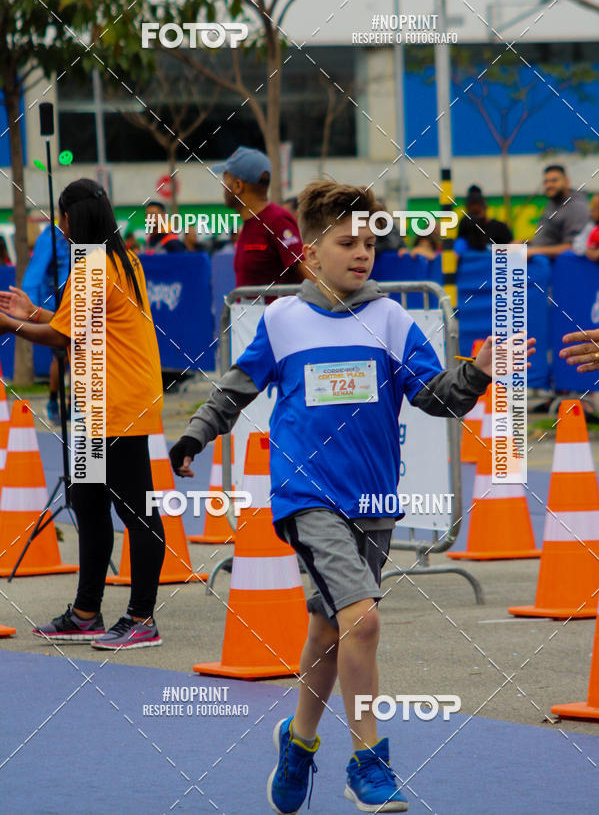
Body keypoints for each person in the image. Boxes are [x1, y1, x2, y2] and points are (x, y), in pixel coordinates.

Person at [169, 179, 533, 813]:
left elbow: (434, 397)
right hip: (305, 498)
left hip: (372, 505)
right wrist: (197, 435)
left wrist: (476, 372)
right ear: (310, 253)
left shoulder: (392, 317)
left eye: (370, 241)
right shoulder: (282, 320)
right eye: (347, 241)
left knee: (331, 629)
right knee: (362, 620)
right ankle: (368, 762)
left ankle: (298, 741)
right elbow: (233, 390)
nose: (363, 252)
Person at [0, 178, 165, 651]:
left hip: (120, 405)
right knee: (89, 505)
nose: (60, 225)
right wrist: (33, 312)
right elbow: (69, 323)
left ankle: (141, 619)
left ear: (76, 219)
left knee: (138, 512)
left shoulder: (98, 266)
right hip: (99, 402)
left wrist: (12, 323)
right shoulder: (115, 260)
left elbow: (60, 337)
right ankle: (86, 613)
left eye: (62, 217)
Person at [212, 146, 311, 287]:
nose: (223, 187)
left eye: (225, 180)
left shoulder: (277, 221)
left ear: (238, 185)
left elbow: (312, 277)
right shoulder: (249, 223)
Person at [21, 221, 70, 422]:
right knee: (61, 356)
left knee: (81, 354)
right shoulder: (50, 238)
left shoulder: (85, 237)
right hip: (54, 307)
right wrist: (31, 308)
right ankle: (53, 400)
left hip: (78, 302)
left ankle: (74, 403)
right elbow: (35, 273)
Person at [527, 165, 589, 258]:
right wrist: (522, 243)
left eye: (554, 181)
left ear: (567, 182)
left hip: (558, 266)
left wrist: (533, 251)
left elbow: (573, 247)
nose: (549, 185)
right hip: (539, 259)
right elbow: (547, 240)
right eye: (546, 182)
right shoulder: (552, 203)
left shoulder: (576, 207)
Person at [455, 185, 512, 253]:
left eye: (477, 213)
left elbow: (512, 250)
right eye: (472, 214)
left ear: (485, 207)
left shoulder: (500, 228)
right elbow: (458, 248)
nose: (475, 218)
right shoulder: (465, 225)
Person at [572, 193, 599, 259]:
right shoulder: (591, 226)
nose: (591, 212)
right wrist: (588, 250)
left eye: (595, 208)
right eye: (591, 208)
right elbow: (577, 243)